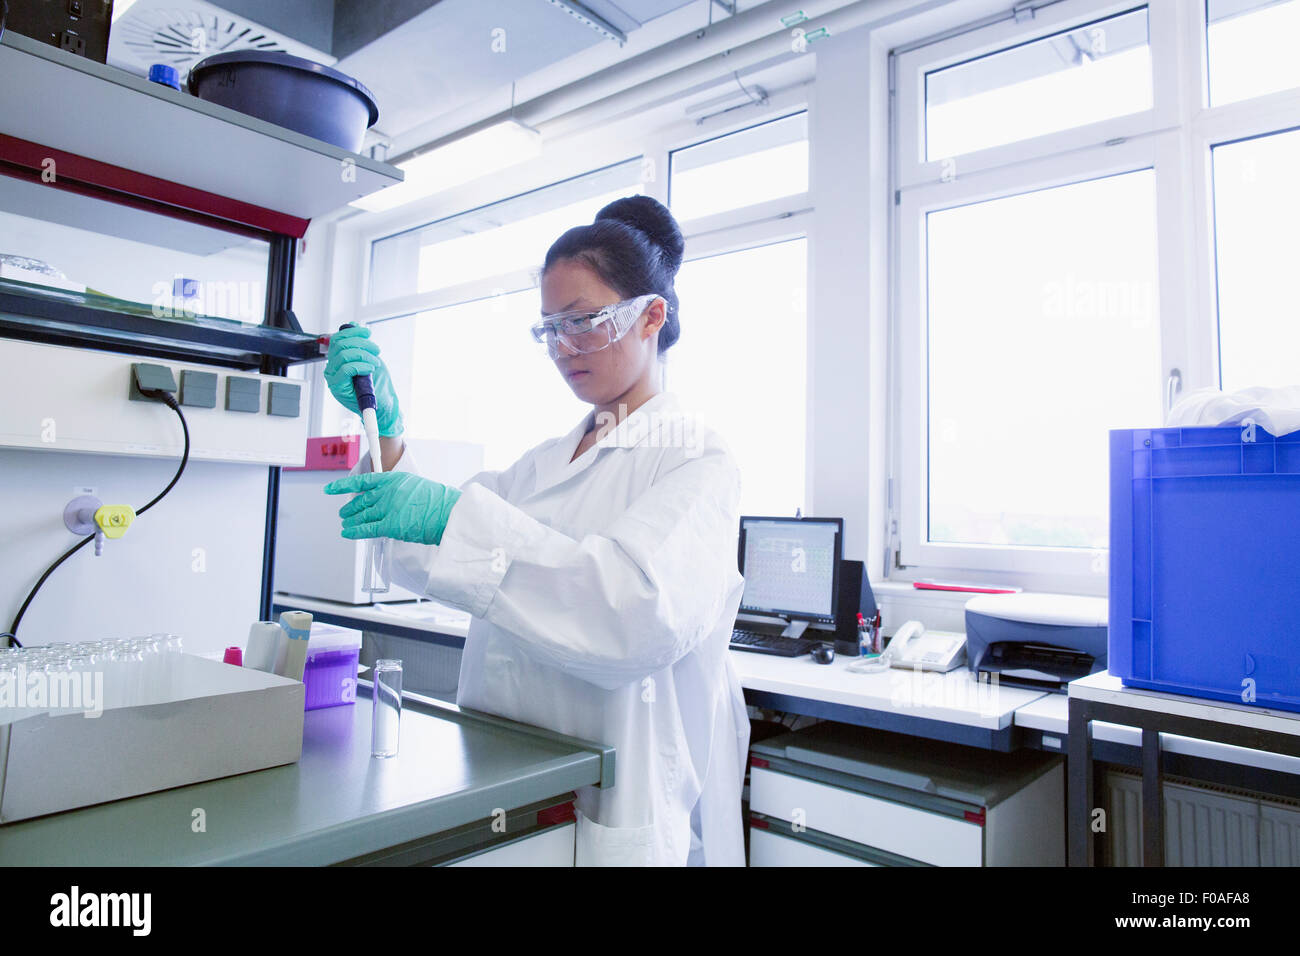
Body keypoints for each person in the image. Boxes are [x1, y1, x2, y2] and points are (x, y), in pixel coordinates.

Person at [322, 195, 749, 866]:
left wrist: (451, 518)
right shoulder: (543, 464)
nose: (563, 348)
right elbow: (422, 549)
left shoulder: (697, 459)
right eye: (550, 328)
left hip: (611, 805)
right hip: (508, 784)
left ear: (652, 316)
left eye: (584, 322)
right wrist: (387, 431)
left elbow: (633, 617)